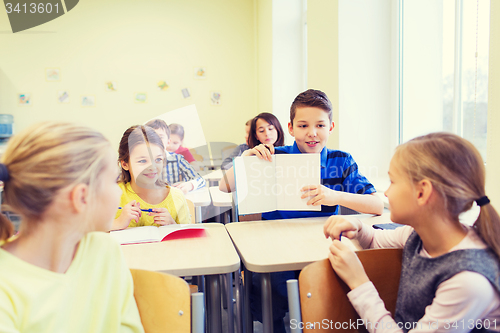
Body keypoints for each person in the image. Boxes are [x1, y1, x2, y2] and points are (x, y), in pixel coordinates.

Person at [324, 132, 500, 333]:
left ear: (422, 192)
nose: (387, 192)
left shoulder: (469, 281)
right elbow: (374, 240)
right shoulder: (417, 235)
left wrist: (358, 282)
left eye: (392, 181)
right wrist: (357, 227)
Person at [241, 89, 384, 333]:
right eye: (303, 125)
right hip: (276, 247)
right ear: (291, 127)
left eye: (320, 125)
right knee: (272, 287)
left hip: (321, 244)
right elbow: (226, 186)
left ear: (331, 127)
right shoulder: (275, 156)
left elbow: (377, 204)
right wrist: (247, 159)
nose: (312, 133)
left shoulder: (341, 160)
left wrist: (334, 195)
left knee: (329, 288)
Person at [0, 122, 144, 333]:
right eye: (114, 181)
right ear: (82, 197)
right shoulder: (6, 285)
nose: (119, 191)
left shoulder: (105, 250)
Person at [112, 125, 190, 231]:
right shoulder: (113, 196)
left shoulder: (176, 197)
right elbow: (90, 234)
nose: (152, 167)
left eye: (158, 159)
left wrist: (173, 226)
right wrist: (118, 223)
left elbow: (189, 239)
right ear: (125, 164)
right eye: (143, 161)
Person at [219, 112, 286, 192]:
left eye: (271, 129)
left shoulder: (287, 152)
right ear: (256, 135)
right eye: (261, 131)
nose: (267, 133)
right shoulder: (250, 153)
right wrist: (244, 158)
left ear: (278, 130)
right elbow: (224, 187)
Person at [146, 119, 205, 194]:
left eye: (160, 137)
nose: (155, 140)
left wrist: (189, 185)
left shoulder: (177, 159)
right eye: (150, 137)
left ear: (168, 142)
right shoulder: (139, 161)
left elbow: (200, 180)